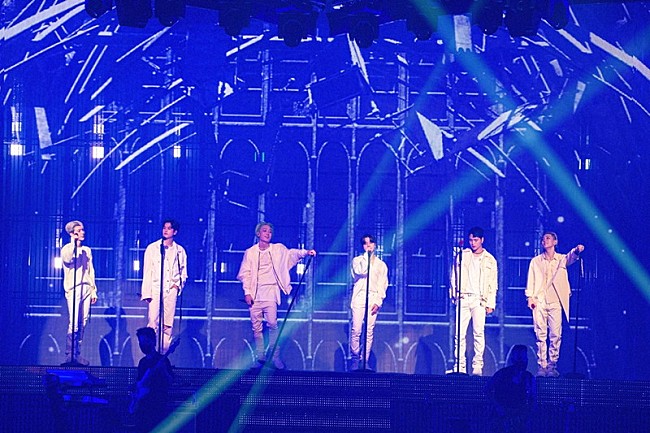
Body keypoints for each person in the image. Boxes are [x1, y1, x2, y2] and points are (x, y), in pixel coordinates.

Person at [237, 222, 316, 370]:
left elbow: (291, 254)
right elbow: (245, 273)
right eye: (264, 231)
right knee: (256, 327)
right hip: (255, 294)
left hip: (270, 292)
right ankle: (260, 357)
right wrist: (247, 292)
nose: (268, 234)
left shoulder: (278, 249)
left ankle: (275, 356)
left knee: (273, 324)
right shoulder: (250, 252)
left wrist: (306, 252)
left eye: (270, 232)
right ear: (258, 233)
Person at [525, 231, 584, 377]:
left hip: (555, 301)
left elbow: (571, 257)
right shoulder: (536, 261)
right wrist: (530, 297)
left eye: (548, 238)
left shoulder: (561, 259)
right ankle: (542, 365)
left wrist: (576, 250)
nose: (544, 241)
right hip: (540, 301)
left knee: (555, 334)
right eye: (543, 239)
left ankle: (552, 366)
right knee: (540, 334)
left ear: (555, 242)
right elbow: (531, 280)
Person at [449, 226, 498, 376]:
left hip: (479, 300)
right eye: (471, 240)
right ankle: (460, 366)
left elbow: (493, 283)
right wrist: (454, 295)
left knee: (478, 334)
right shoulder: (462, 256)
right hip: (463, 298)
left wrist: (491, 303)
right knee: (459, 334)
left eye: (475, 240)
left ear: (482, 240)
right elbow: (454, 275)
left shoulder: (489, 259)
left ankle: (477, 367)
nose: (473, 243)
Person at [141, 219, 188, 353]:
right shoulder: (152, 248)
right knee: (153, 321)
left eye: (169, 228)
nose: (166, 230)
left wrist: (177, 286)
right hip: (155, 289)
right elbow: (147, 271)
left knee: (167, 324)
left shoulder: (180, 251)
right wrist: (147, 293)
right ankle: (150, 353)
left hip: (171, 289)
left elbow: (183, 272)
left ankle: (163, 353)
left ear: (175, 232)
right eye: (164, 228)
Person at [61, 220, 98, 365]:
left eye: (82, 230)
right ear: (72, 233)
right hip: (73, 289)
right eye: (79, 230)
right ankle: (69, 355)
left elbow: (90, 271)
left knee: (83, 322)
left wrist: (93, 290)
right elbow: (68, 259)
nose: (82, 232)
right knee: (74, 322)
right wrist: (73, 242)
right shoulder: (67, 249)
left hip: (86, 288)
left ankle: (76, 354)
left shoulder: (87, 250)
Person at [350, 234, 389, 371]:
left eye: (371, 242)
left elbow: (383, 284)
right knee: (356, 330)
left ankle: (364, 361)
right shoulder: (357, 261)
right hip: (359, 297)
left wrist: (378, 302)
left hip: (373, 298)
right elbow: (361, 271)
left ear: (375, 245)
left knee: (369, 331)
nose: (368, 245)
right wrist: (366, 256)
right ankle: (355, 360)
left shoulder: (381, 265)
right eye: (365, 243)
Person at [130, 327, 174, 433]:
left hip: (157, 406)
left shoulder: (163, 360)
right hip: (143, 408)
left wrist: (163, 371)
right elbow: (140, 382)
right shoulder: (142, 362)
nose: (142, 345)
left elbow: (170, 382)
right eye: (140, 342)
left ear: (153, 341)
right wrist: (134, 389)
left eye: (145, 341)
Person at [485, 344, 536, 433]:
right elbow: (487, 390)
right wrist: (497, 407)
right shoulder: (502, 374)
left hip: (519, 419)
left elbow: (533, 398)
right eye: (519, 357)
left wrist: (527, 415)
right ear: (513, 358)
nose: (522, 360)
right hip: (502, 418)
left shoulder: (529, 377)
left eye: (523, 357)